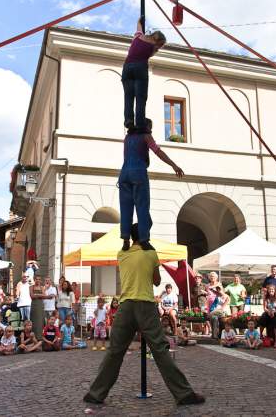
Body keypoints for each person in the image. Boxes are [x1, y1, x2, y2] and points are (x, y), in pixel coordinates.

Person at [83, 223, 205, 410]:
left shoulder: (122, 254)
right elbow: (156, 281)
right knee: (160, 350)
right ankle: (184, 394)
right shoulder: (150, 254)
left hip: (125, 306)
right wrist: (151, 255)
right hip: (145, 305)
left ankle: (95, 393)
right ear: (145, 235)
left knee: (115, 352)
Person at [119, 118, 184, 251]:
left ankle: (125, 239)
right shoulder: (146, 136)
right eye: (150, 126)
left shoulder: (128, 138)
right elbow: (158, 152)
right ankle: (144, 239)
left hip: (124, 174)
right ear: (145, 126)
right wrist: (174, 165)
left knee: (126, 209)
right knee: (142, 208)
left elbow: (126, 156)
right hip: (139, 173)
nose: (151, 129)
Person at [122, 15, 166, 131]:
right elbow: (151, 53)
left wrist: (140, 21)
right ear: (157, 41)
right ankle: (140, 123)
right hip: (139, 68)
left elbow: (138, 28)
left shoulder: (138, 36)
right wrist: (156, 48)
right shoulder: (152, 48)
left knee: (129, 96)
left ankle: (129, 121)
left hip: (127, 68)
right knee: (141, 97)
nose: (160, 47)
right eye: (160, 45)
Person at [30, 275, 46, 340]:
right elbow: (32, 296)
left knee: (40, 321)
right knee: (34, 321)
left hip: (40, 305)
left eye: (39, 279)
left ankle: (40, 337)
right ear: (34, 280)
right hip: (34, 304)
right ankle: (34, 338)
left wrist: (36, 295)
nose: (38, 280)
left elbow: (44, 295)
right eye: (36, 279)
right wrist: (40, 295)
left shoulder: (42, 287)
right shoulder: (31, 287)